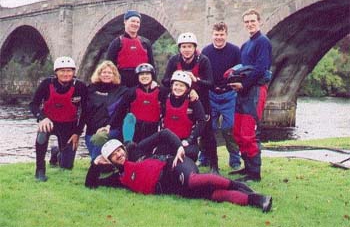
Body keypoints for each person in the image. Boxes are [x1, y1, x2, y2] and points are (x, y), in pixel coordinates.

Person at [85, 129, 272, 213]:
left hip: (176, 165)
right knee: (212, 195)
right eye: (113, 156)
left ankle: (238, 185)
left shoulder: (136, 149)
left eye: (119, 150)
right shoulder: (119, 177)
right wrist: (95, 163)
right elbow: (91, 184)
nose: (119, 155)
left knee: (192, 181)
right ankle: (256, 200)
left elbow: (164, 133)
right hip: (171, 186)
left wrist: (178, 148)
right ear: (109, 161)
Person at [162, 32, 219, 174]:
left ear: (194, 48)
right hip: (181, 100)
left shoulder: (203, 60)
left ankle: (214, 166)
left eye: (189, 46)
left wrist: (196, 80)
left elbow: (210, 83)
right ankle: (175, 155)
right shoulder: (174, 60)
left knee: (207, 132)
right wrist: (179, 82)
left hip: (201, 99)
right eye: (183, 47)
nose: (186, 50)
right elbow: (165, 80)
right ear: (179, 48)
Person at [228, 9, 272, 182]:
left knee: (248, 132)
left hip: (255, 91)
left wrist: (243, 84)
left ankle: (255, 173)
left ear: (259, 21)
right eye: (246, 22)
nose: (249, 24)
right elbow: (244, 68)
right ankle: (247, 167)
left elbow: (261, 69)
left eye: (252, 21)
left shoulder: (263, 42)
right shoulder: (245, 45)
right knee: (238, 132)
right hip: (243, 91)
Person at [29, 56, 88, 182]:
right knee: (42, 135)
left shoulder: (80, 86)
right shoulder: (46, 84)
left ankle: (56, 153)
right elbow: (33, 104)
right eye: (62, 71)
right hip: (49, 122)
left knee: (66, 166)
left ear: (73, 72)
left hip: (69, 125)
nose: (66, 74)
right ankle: (40, 170)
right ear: (56, 72)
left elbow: (85, 112)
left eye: (69, 71)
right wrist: (42, 117)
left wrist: (77, 133)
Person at [201, 22, 242, 171]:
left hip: (229, 94)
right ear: (212, 35)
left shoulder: (235, 51)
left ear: (226, 35)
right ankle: (204, 157)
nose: (219, 38)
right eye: (216, 35)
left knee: (229, 127)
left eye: (222, 34)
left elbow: (241, 70)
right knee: (207, 127)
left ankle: (235, 160)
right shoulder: (205, 51)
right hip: (211, 94)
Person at [84, 61, 128, 160]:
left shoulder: (122, 91)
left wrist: (108, 126)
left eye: (109, 72)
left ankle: (95, 169)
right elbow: (83, 111)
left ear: (114, 75)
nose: (106, 75)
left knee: (96, 157)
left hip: (111, 130)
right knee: (98, 154)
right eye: (103, 72)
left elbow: (120, 112)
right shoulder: (89, 89)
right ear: (99, 74)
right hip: (92, 131)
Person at [161, 70, 206, 162]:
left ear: (187, 88)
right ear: (172, 86)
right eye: (176, 85)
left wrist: (190, 140)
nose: (178, 88)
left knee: (189, 155)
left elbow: (202, 121)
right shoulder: (165, 98)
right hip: (168, 141)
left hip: (186, 142)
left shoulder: (193, 101)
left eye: (182, 86)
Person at [116, 63, 164, 143]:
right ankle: (128, 143)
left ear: (152, 76)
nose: (144, 76)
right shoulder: (131, 92)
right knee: (129, 117)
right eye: (141, 74)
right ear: (137, 77)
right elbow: (119, 111)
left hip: (153, 129)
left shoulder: (161, 92)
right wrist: (109, 125)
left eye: (147, 74)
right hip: (135, 129)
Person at [106, 10, 155, 87]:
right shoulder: (117, 42)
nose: (135, 24)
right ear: (125, 22)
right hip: (122, 84)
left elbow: (152, 65)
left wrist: (153, 82)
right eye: (133, 21)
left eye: (137, 22)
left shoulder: (146, 42)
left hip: (142, 83)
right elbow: (108, 65)